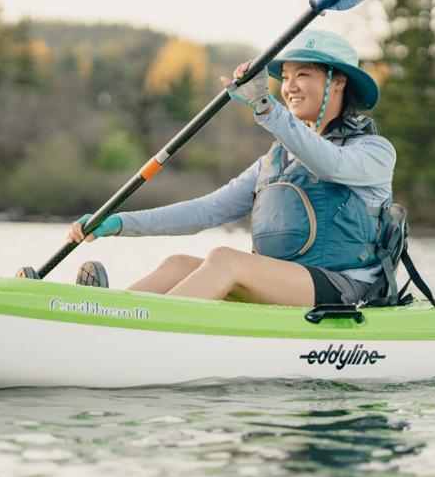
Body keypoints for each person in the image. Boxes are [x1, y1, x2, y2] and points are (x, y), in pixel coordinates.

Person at [66, 29, 395, 307]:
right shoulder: (275, 161)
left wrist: (265, 106)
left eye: (304, 75)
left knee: (226, 260)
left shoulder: (373, 152)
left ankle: (144, 331)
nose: (290, 87)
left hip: (344, 289)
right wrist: (120, 222)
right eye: (287, 77)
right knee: (178, 264)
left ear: (338, 82)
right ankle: (101, 313)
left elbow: (330, 165)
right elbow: (206, 211)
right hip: (281, 282)